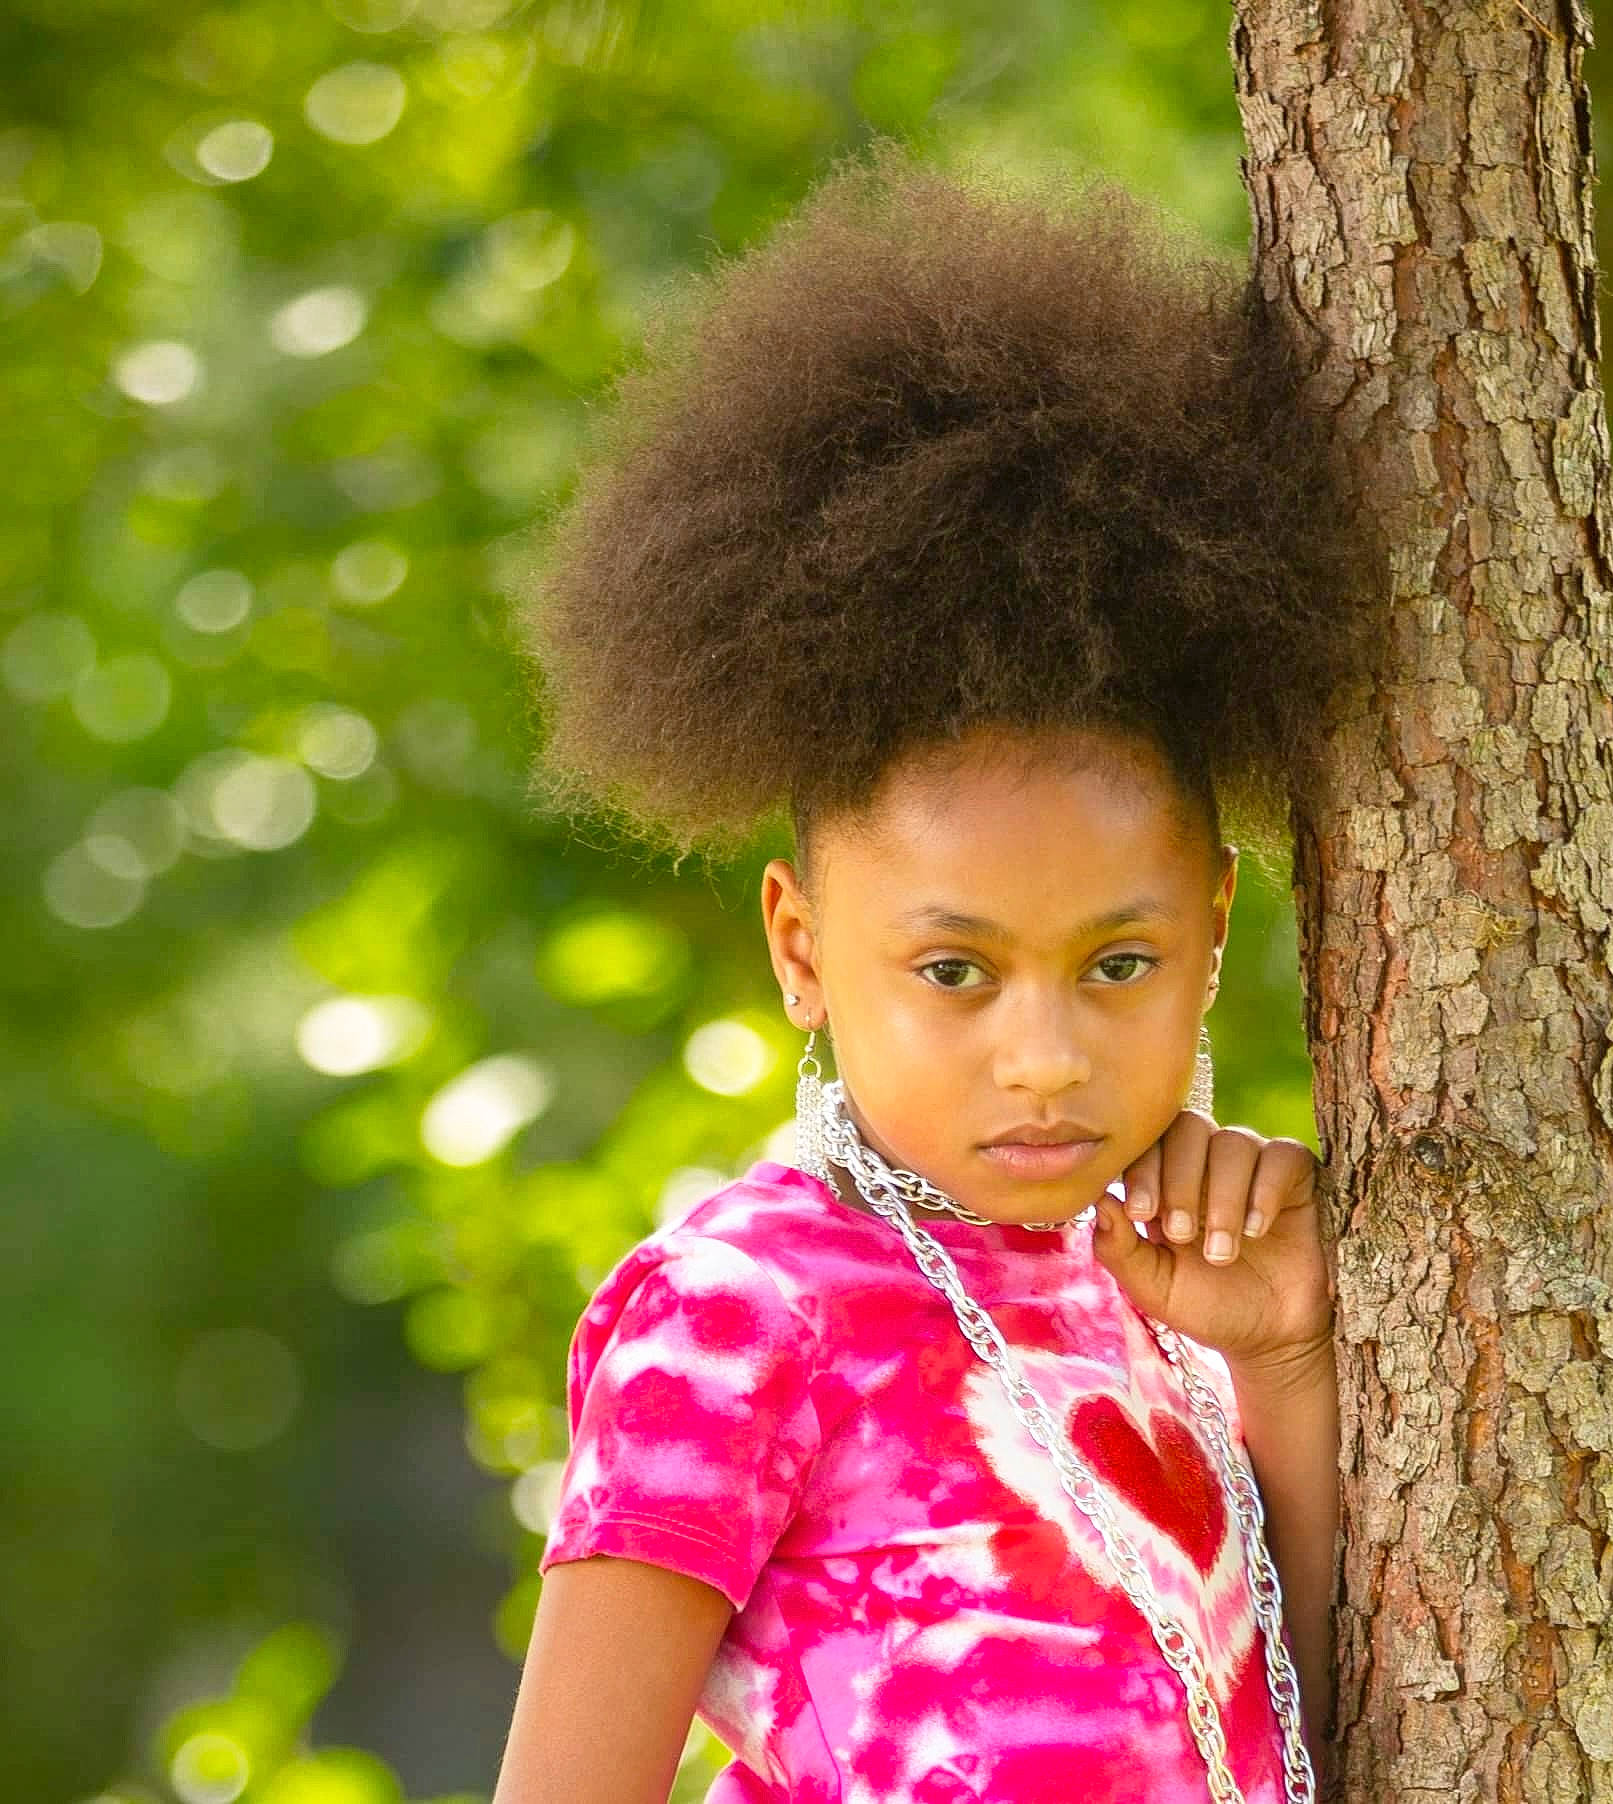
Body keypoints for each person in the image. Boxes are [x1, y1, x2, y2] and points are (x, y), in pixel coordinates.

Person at [494, 141, 1377, 1804]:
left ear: (1214, 927)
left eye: (1116, 961)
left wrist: (1277, 1363)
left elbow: (1320, 1752)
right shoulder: (739, 1313)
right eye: (956, 972)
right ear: (800, 949)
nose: (1043, 1057)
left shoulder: (1173, 1294)